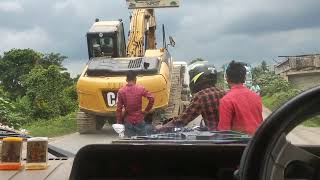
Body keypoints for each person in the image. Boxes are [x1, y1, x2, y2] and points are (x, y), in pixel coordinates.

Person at [156, 63, 225, 131]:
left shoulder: (201, 96)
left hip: (215, 137)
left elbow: (183, 120)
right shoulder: (223, 92)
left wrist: (162, 127)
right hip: (228, 135)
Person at [218, 61, 263, 135]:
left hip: (239, 145)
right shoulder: (256, 96)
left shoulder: (226, 100)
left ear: (227, 78)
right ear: (244, 78)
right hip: (257, 142)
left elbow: (224, 132)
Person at [116, 71, 154, 137]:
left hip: (128, 121)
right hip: (139, 119)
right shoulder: (141, 89)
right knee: (143, 141)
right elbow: (152, 98)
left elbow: (119, 109)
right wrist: (146, 110)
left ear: (126, 80)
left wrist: (119, 123)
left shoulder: (121, 91)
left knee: (130, 143)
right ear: (135, 79)